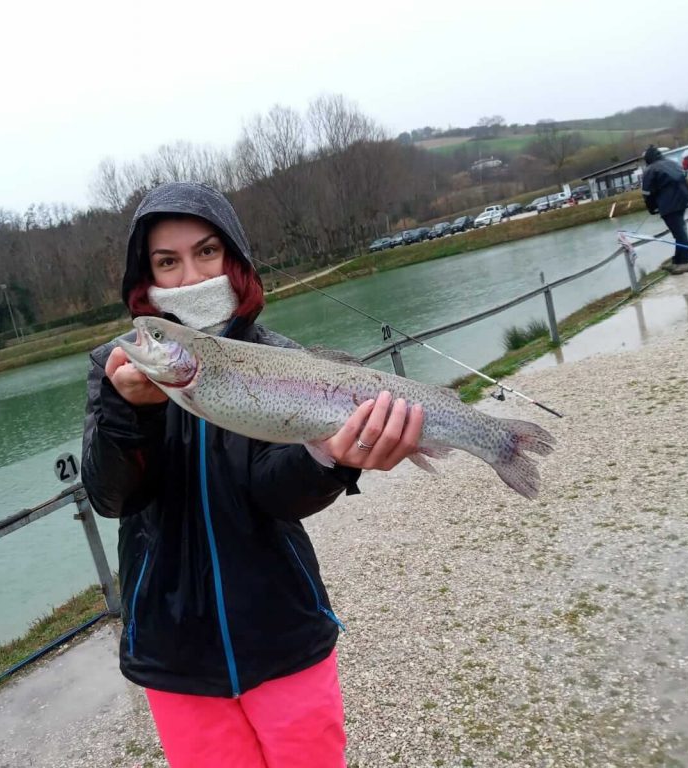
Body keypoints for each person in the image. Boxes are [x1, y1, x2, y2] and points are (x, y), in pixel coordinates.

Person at [81, 181, 423, 768]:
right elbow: (111, 496)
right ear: (146, 280)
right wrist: (127, 410)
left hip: (283, 628)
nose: (188, 276)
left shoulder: (281, 355)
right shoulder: (118, 367)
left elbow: (274, 494)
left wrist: (332, 457)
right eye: (167, 261)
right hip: (173, 644)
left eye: (206, 252)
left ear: (234, 259)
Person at [641, 145, 688, 274]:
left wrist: (652, 208)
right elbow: (683, 179)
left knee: (679, 233)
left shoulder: (650, 170)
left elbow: (647, 193)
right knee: (680, 231)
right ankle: (677, 261)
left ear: (648, 158)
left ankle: (686, 262)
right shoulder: (672, 163)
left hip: (668, 204)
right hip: (683, 200)